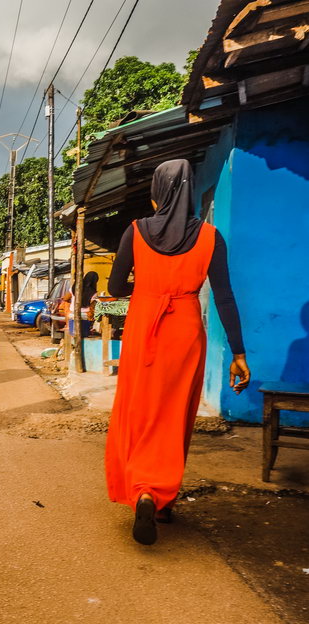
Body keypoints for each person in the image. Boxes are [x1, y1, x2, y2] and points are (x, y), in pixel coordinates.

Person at [105, 159, 251, 546]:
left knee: (138, 409)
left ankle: (142, 490)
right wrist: (238, 352)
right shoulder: (210, 236)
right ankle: (162, 496)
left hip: (143, 329)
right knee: (173, 416)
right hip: (185, 333)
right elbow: (224, 296)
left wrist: (147, 277)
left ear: (158, 193)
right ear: (187, 193)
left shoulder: (135, 232)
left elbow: (116, 288)